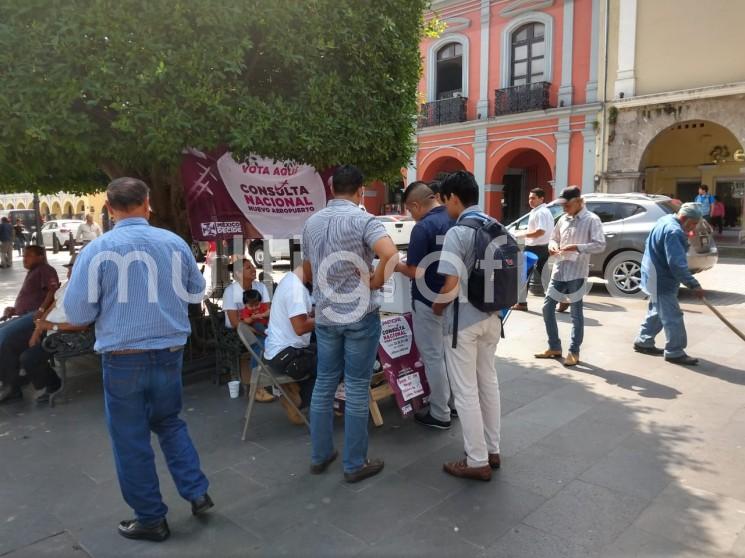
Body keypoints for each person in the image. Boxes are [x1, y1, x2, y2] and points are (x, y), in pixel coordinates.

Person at [64, 177, 212, 543]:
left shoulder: (97, 250)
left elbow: (79, 311)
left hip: (123, 359)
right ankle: (196, 491)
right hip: (170, 354)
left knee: (131, 439)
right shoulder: (174, 243)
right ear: (147, 203)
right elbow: (196, 292)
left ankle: (150, 517)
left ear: (110, 209)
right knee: (170, 422)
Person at [302, 164, 398, 483]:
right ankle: (354, 464)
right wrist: (374, 281)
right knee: (356, 386)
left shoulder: (312, 223)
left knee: (325, 382)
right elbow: (391, 254)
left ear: (331, 189)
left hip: (326, 315)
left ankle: (320, 455)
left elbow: (307, 269)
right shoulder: (363, 219)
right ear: (360, 191)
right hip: (358, 315)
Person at [429, 171, 504, 482]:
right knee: (489, 382)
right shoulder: (495, 225)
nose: (445, 207)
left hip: (463, 322)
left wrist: (436, 307)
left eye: (445, 201)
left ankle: (476, 461)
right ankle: (493, 449)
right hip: (493, 318)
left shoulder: (458, 233)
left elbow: (450, 283)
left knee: (465, 392)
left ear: (454, 199)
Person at [395, 181, 454, 430]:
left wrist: (394, 263)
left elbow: (415, 270)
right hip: (453, 299)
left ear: (416, 205)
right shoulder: (455, 219)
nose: (411, 215)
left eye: (410, 210)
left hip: (428, 302)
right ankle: (454, 405)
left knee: (433, 357)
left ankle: (440, 413)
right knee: (450, 357)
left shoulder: (423, 227)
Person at [535, 186, 605, 367]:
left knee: (576, 313)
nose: (564, 208)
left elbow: (600, 245)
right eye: (563, 205)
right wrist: (552, 246)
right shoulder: (563, 219)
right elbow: (554, 238)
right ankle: (554, 346)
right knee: (547, 307)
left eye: (567, 205)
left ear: (578, 202)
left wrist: (577, 247)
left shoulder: (591, 220)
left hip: (577, 272)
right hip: (559, 270)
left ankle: (574, 351)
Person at [633, 203, 705, 366]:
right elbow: (677, 264)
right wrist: (694, 285)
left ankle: (643, 341)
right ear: (684, 218)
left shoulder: (664, 220)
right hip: (661, 279)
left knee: (658, 310)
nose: (693, 227)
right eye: (693, 223)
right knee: (673, 316)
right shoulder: (674, 232)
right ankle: (675, 351)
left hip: (652, 274)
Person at [18, 254, 86, 402]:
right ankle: (16, 381)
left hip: (64, 335)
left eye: (71, 269)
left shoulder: (84, 291)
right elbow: (51, 307)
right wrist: (37, 330)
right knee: (15, 342)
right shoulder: (67, 286)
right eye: (68, 269)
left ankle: (52, 385)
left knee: (29, 358)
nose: (68, 272)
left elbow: (83, 324)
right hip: (48, 329)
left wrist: (50, 325)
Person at [0, 245, 60, 402]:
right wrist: (14, 309)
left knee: (3, 336)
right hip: (24, 315)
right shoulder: (33, 272)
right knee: (7, 343)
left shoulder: (45, 269)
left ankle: (12, 385)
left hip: (35, 317)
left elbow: (53, 290)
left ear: (40, 256)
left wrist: (40, 310)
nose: (24, 259)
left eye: (29, 255)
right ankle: (11, 383)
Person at [262, 266, 317, 425]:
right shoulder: (295, 290)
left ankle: (295, 392)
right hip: (285, 355)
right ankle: (302, 404)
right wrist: (327, 318)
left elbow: (300, 316)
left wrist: (315, 314)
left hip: (278, 350)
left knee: (325, 351)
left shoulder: (291, 280)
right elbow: (300, 327)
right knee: (332, 362)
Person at [223, 259, 274, 402]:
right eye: (248, 268)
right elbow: (234, 322)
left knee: (272, 339)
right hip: (238, 329)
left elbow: (268, 311)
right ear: (238, 274)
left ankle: (274, 381)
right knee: (260, 344)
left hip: (260, 325)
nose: (253, 269)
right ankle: (256, 387)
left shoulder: (260, 287)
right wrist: (255, 329)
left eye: (252, 266)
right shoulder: (231, 291)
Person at [512, 188, 555, 311]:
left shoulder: (540, 212)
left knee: (522, 275)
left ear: (541, 199)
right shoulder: (544, 211)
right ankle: (559, 299)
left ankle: (521, 303)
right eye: (529, 198)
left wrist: (522, 234)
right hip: (543, 247)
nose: (530, 200)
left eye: (533, 198)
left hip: (533, 247)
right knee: (545, 276)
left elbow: (540, 231)